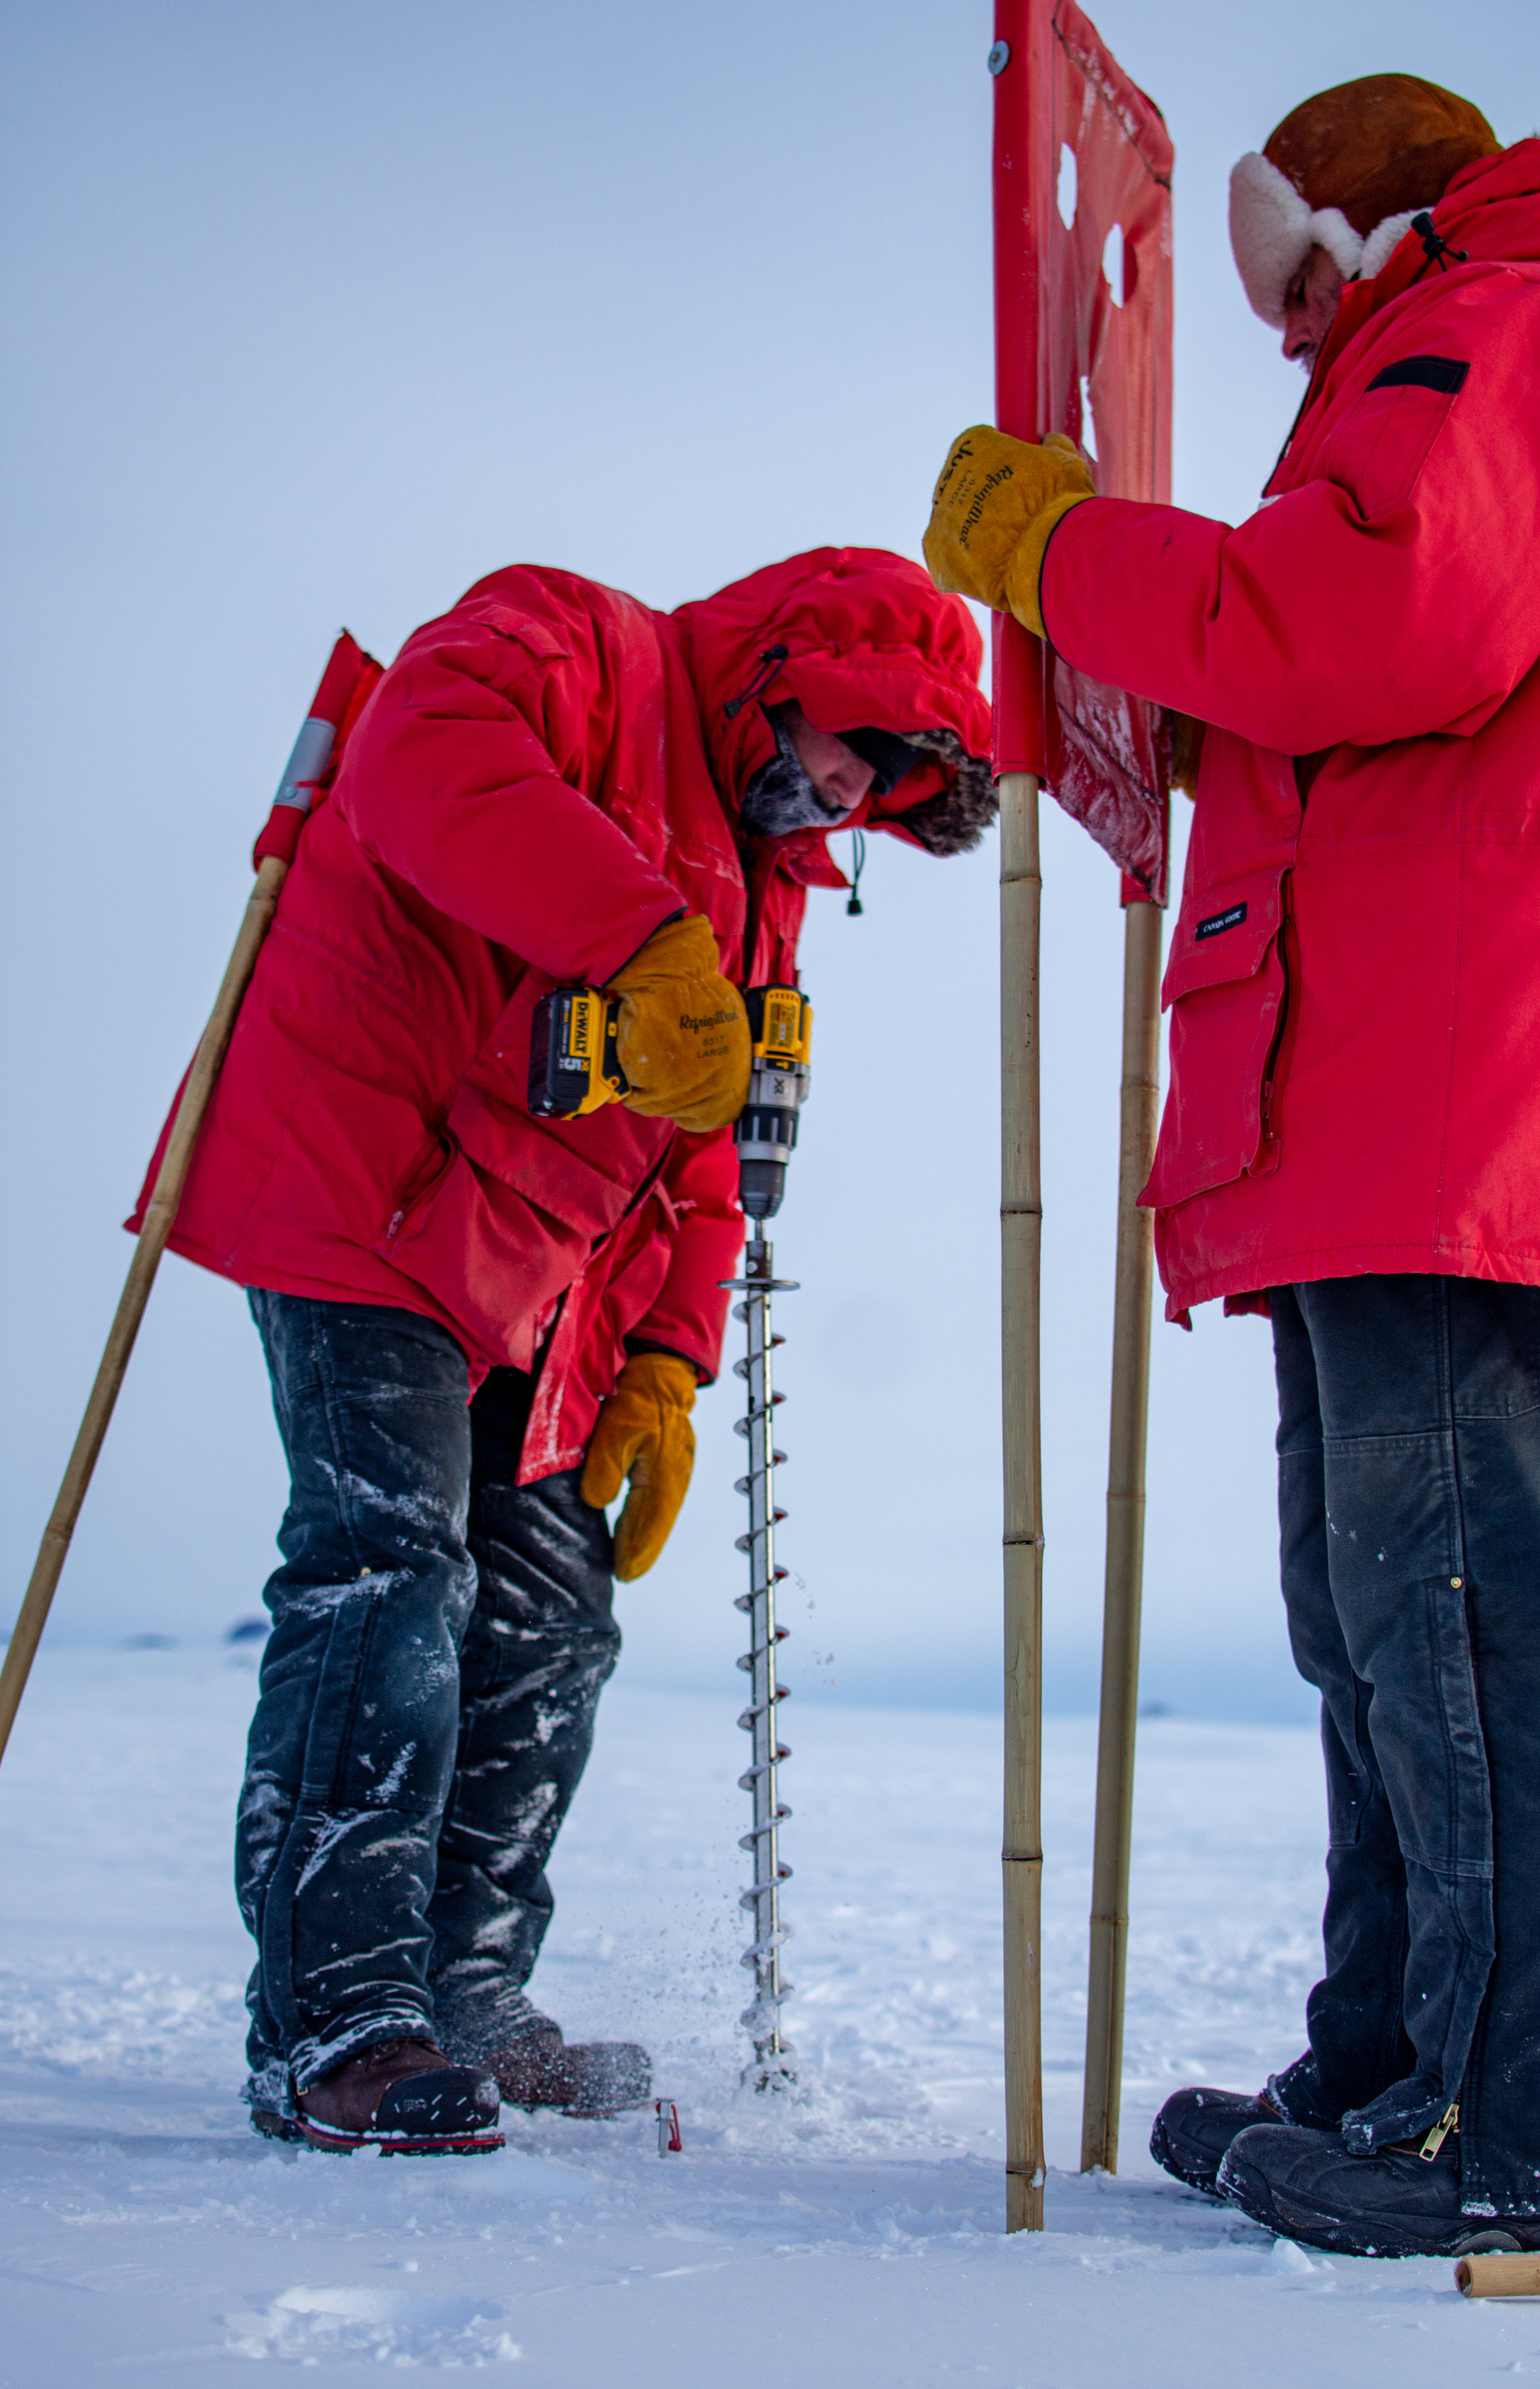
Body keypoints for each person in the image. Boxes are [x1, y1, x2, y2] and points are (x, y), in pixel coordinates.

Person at [923, 76, 1540, 2256]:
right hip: (1409, 1101)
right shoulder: (1455, 336)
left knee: (1468, 1625)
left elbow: (1372, 618)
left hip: (1466, 1096)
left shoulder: (1496, 319)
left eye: (1294, 279)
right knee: (1380, 1612)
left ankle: (1524, 2120)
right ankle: (1402, 2059)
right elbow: (1326, 683)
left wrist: (1057, 545)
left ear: (1375, 227)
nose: (1288, 337)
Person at [132, 547, 994, 2152]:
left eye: (885, 785)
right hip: (361, 1183)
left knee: (546, 1618)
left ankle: (464, 1992)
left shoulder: (771, 891)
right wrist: (641, 935)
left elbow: (717, 1150)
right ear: (788, 672)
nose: (849, 792)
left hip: (540, 1264)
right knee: (388, 1572)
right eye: (857, 745)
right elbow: (420, 760)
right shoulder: (571, 644)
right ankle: (340, 2021)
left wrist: (668, 1361)